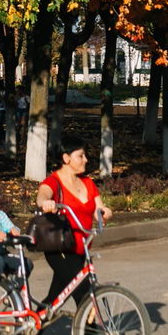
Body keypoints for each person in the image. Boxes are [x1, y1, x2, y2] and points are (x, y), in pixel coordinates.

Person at [35, 133, 112, 318]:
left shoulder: (88, 183)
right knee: (86, 298)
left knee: (55, 298)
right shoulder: (54, 181)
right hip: (60, 248)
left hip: (81, 249)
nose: (85, 160)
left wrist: (105, 212)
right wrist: (46, 203)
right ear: (66, 158)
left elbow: (98, 209)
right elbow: (42, 195)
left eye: (85, 156)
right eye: (81, 156)